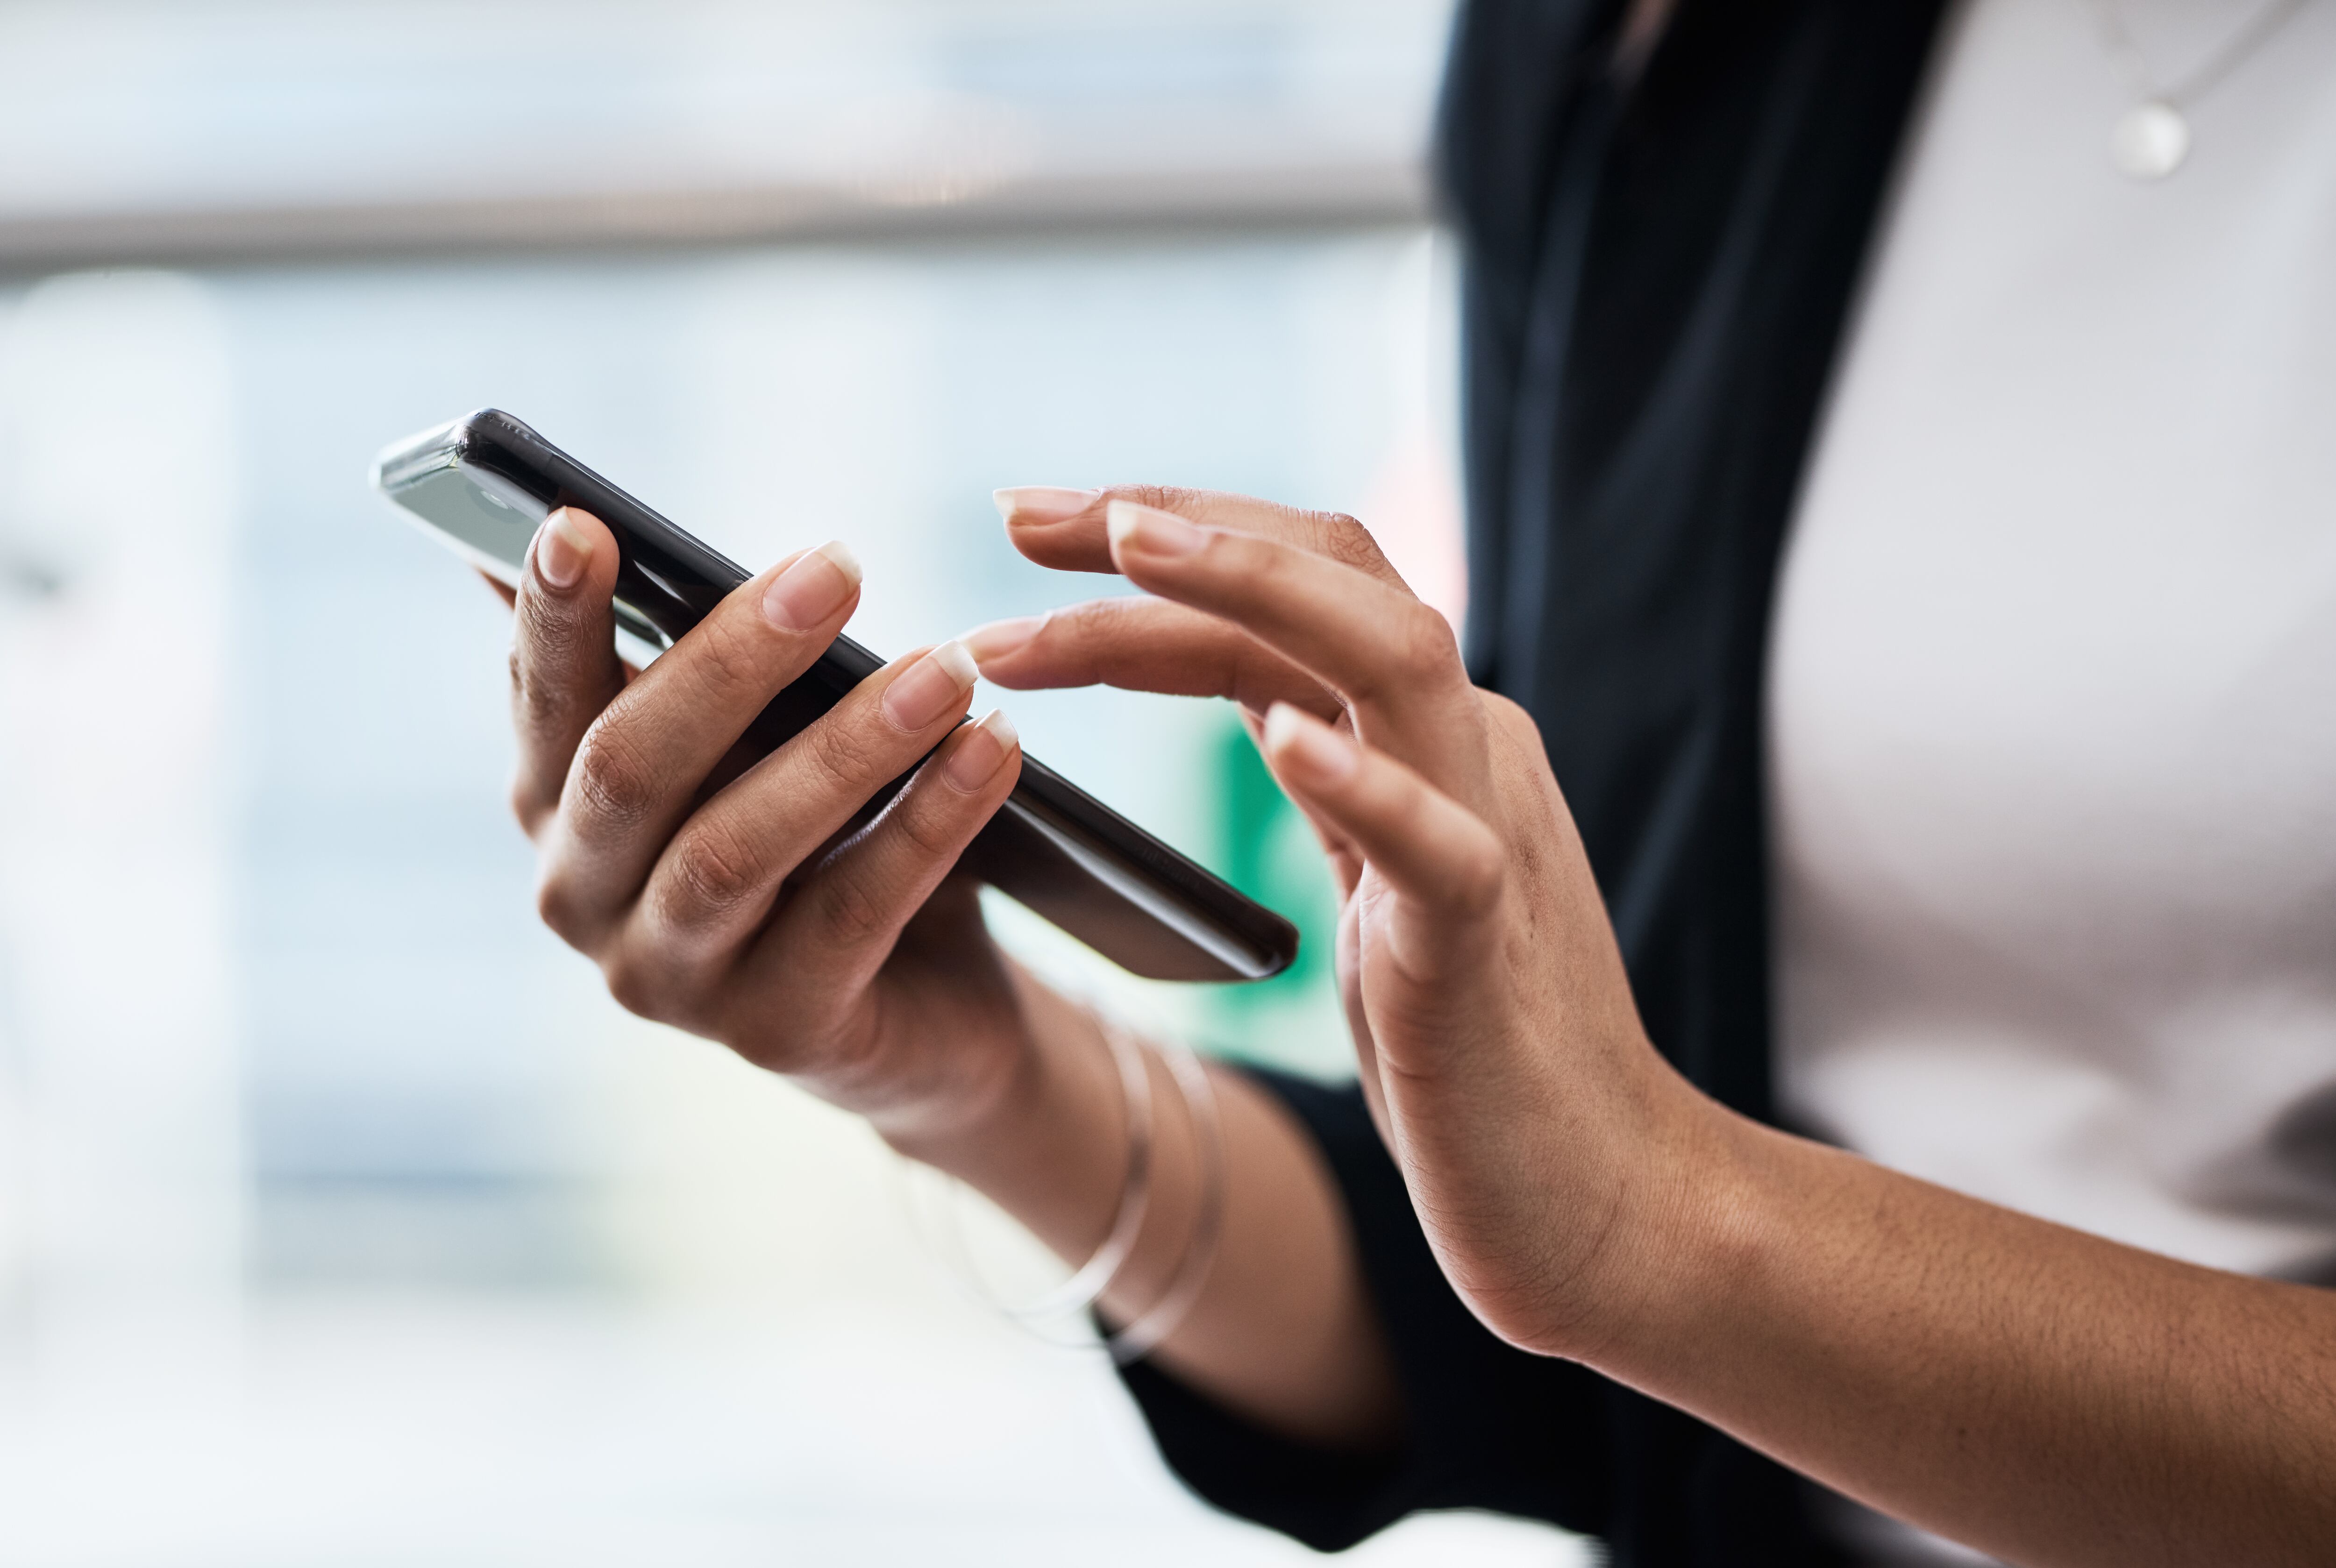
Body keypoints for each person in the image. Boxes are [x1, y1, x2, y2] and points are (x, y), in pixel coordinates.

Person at [485, 0, 2336, 1562]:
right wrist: (973, 1072)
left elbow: (1637, 1223)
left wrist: (1656, 1223)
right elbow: (1573, 1339)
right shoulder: (1650, 52)